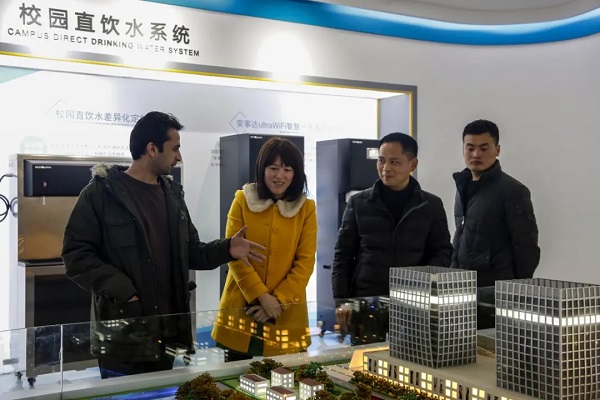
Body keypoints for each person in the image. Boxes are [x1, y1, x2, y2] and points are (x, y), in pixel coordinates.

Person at [62, 111, 265, 378]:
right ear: (152, 149)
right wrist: (125, 292)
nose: (179, 157)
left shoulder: (173, 196)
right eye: (175, 148)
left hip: (168, 335)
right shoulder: (101, 194)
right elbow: (76, 256)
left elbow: (191, 252)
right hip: (124, 336)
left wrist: (227, 248)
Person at [331, 132, 453, 336]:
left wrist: (419, 282)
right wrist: (342, 301)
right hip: (366, 303)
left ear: (413, 164)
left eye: (394, 162)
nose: (385, 168)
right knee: (365, 357)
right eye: (381, 160)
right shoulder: (359, 203)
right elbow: (342, 256)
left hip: (413, 306)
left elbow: (443, 252)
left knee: (410, 356)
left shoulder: (430, 205)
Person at [211, 137, 317, 360]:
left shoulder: (306, 208)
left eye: (287, 169)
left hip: (286, 311)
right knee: (236, 376)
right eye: (273, 168)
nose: (280, 175)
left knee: (287, 377)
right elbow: (234, 255)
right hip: (243, 307)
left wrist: (278, 301)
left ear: (296, 173)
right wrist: (262, 297)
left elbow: (305, 262)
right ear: (262, 168)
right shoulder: (242, 200)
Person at [452, 119, 540, 287]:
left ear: (497, 150)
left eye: (484, 148)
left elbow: (526, 247)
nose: (476, 154)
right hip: (461, 285)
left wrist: (517, 288)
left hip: (496, 289)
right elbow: (461, 236)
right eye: (470, 148)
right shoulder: (462, 187)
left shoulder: (513, 191)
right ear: (463, 150)